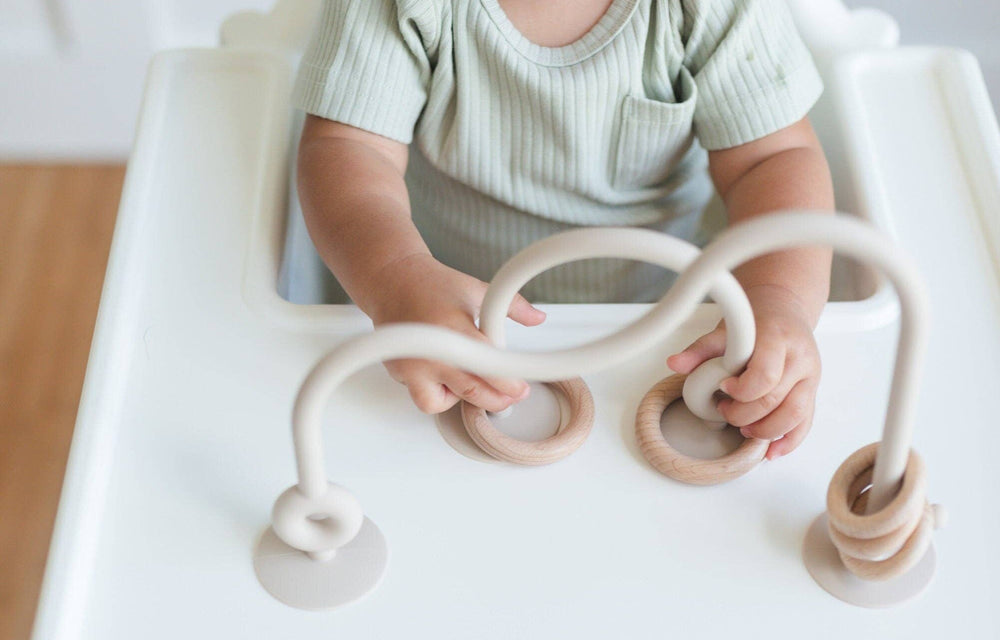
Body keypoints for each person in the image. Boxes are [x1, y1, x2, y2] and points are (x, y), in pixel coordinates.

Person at [294, 0, 834, 459]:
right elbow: (350, 151)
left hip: (659, 321)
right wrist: (393, 276)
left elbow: (773, 159)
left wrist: (778, 297)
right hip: (441, 309)